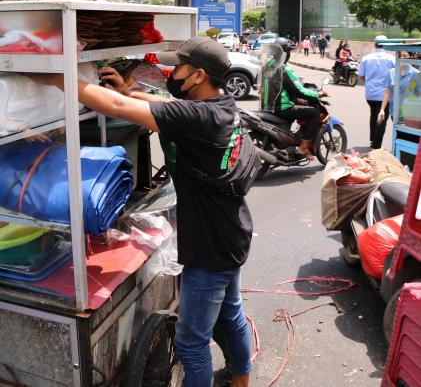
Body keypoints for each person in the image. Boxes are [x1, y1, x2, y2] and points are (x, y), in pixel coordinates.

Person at [31, 37, 252, 387]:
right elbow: (157, 102)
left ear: (196, 76)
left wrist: (61, 79)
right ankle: (242, 380)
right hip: (232, 233)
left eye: (177, 67)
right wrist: (131, 90)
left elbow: (118, 107)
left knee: (192, 342)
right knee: (231, 316)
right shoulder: (221, 108)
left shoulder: (196, 117)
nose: (171, 72)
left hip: (210, 247)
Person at [274, 39, 328, 157]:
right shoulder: (284, 69)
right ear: (285, 53)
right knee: (314, 113)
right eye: (289, 52)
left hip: (268, 106)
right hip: (281, 107)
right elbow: (298, 91)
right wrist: (317, 94)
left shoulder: (268, 66)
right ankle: (303, 147)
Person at [358, 35, 395, 149]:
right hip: (385, 94)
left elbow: (361, 76)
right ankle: (376, 145)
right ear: (386, 44)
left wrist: (370, 81)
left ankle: (373, 140)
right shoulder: (391, 59)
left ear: (375, 44)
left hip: (370, 93)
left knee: (374, 114)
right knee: (381, 118)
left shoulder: (366, 58)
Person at [378, 51, 421, 123]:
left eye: (405, 56)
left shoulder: (416, 74)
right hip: (394, 113)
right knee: (397, 133)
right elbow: (387, 91)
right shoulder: (391, 72)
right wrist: (382, 109)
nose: (402, 58)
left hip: (410, 115)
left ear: (410, 57)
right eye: (400, 56)